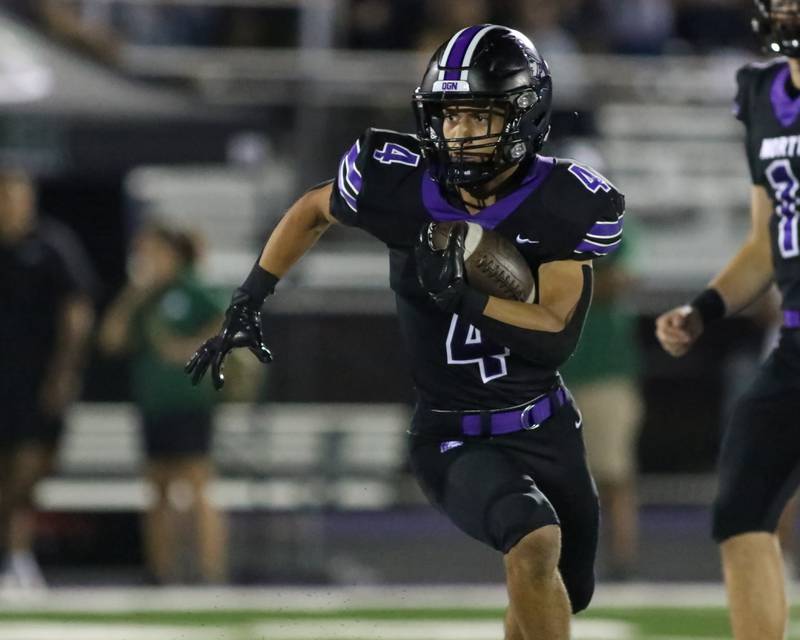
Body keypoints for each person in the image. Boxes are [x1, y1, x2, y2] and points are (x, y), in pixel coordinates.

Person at [187, 25, 624, 639]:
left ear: (524, 116)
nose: (459, 134)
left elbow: (553, 334)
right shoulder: (400, 181)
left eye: (478, 117)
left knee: (558, 590)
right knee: (533, 543)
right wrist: (252, 294)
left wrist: (464, 298)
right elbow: (315, 206)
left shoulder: (563, 200)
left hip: (543, 422)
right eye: (449, 117)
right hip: (451, 433)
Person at [655, 2, 800, 637]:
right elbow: (765, 241)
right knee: (742, 508)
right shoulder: (762, 93)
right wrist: (703, 307)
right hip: (795, 340)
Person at [99, 222, 227, 584]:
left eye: (152, 252)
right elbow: (110, 340)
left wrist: (194, 348)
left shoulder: (191, 287)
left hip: (188, 401)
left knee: (197, 482)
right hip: (153, 405)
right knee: (157, 488)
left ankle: (210, 571)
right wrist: (133, 295)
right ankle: (161, 572)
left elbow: (227, 323)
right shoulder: (144, 298)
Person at [0, 168, 95, 590]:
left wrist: (64, 372)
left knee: (28, 469)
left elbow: (77, 311)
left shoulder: (51, 245)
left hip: (35, 377)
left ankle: (17, 553)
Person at [561, 220, 642, 581]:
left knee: (613, 474)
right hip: (552, 370)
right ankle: (556, 561)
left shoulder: (615, 231)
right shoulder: (530, 223)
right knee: (550, 476)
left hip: (603, 370)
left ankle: (621, 562)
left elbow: (617, 282)